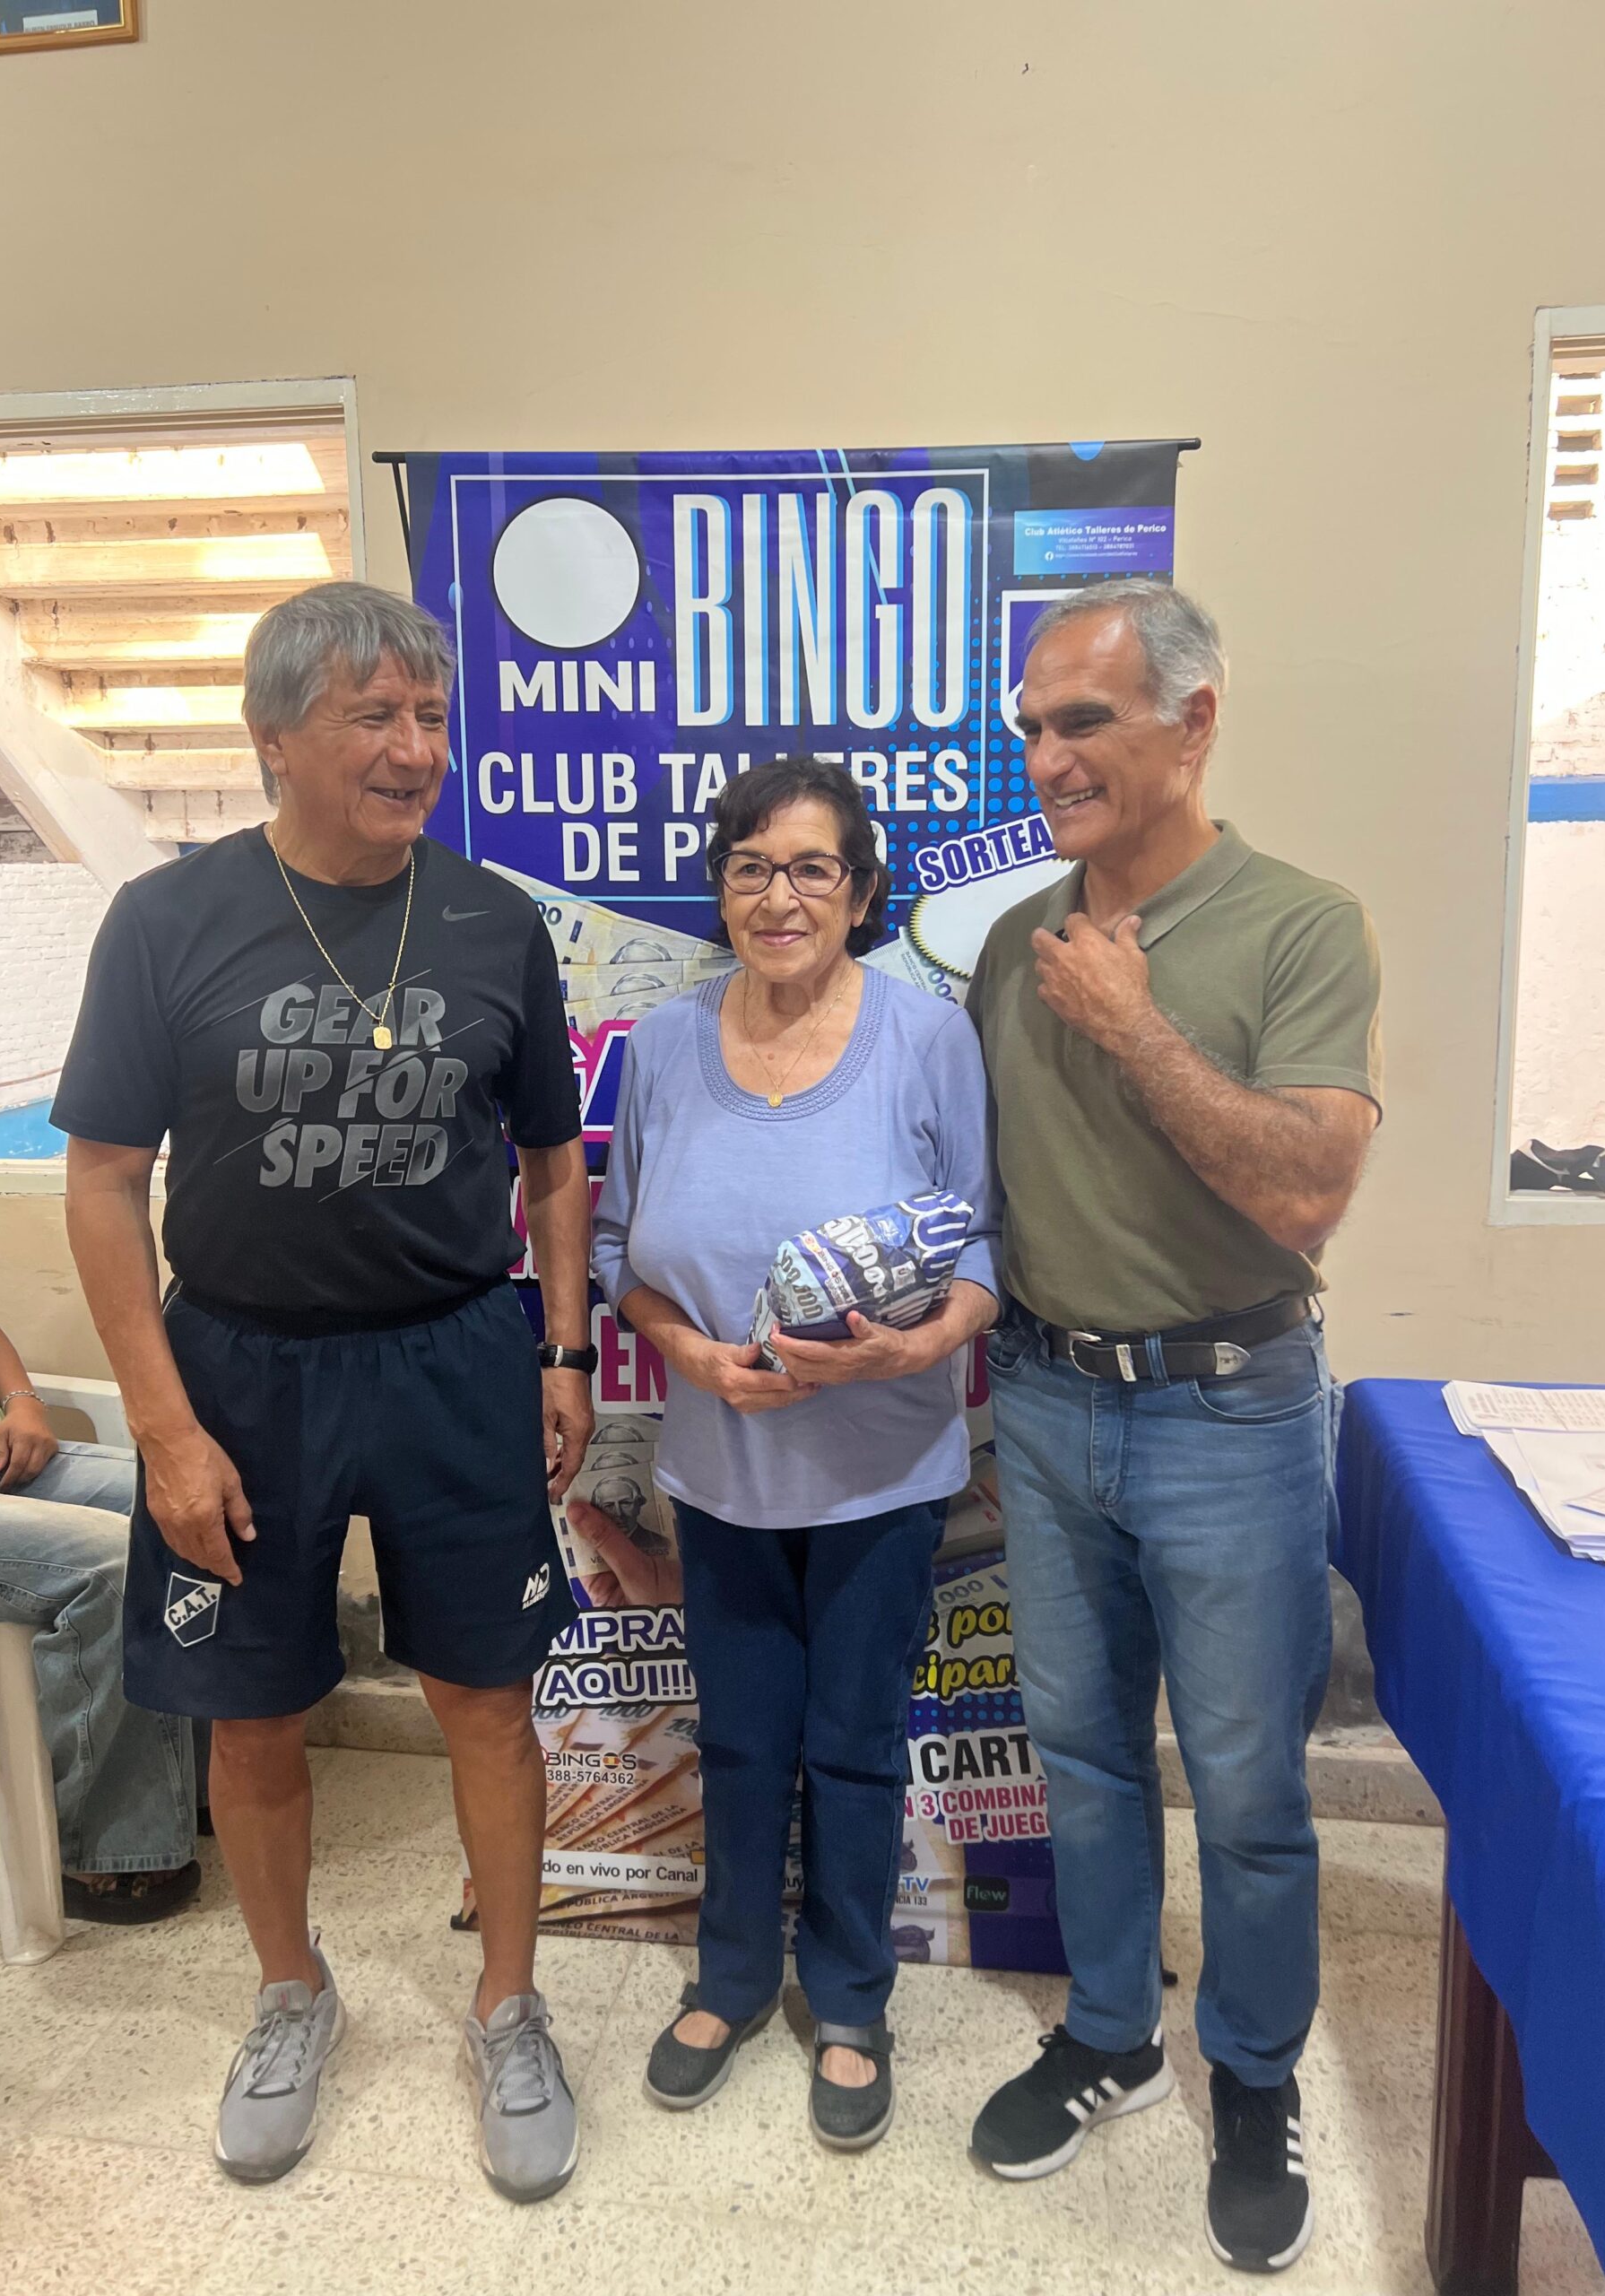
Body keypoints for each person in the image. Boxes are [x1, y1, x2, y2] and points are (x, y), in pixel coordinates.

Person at [52, 580, 595, 2201]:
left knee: (487, 1702)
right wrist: (162, 1428)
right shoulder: (167, 921)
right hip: (239, 1371)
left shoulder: (494, 921)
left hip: (455, 1356)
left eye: (431, 716)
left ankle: (510, 2007)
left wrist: (564, 1350)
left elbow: (555, 1162)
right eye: (374, 716)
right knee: (253, 1711)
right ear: (273, 737)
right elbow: (103, 1182)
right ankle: (290, 1994)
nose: (415, 748)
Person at [965, 580, 1382, 2274]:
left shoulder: (1301, 927)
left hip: (1231, 1410)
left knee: (1247, 1781)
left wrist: (1135, 1026)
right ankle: (1114, 2032)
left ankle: (1255, 2072)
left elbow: (1308, 1194)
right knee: (1076, 1750)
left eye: (1086, 721)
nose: (1048, 757)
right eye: (1033, 727)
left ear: (1195, 722)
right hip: (1046, 1400)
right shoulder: (1010, 943)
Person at [591, 756, 1000, 2151]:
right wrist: (688, 1353)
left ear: (862, 892)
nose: (781, 897)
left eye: (813, 869)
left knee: (854, 1745)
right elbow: (613, 1250)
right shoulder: (662, 1047)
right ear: (720, 889)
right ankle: (730, 1981)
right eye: (752, 867)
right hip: (722, 1473)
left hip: (884, 1470)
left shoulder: (927, 1040)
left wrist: (911, 1347)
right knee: (744, 1739)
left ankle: (850, 1999)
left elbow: (984, 1247)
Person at [0, 1230, 199, 1920]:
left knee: (195, 1500)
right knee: (115, 1563)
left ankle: (191, 1788)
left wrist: (23, 1403)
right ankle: (107, 1850)